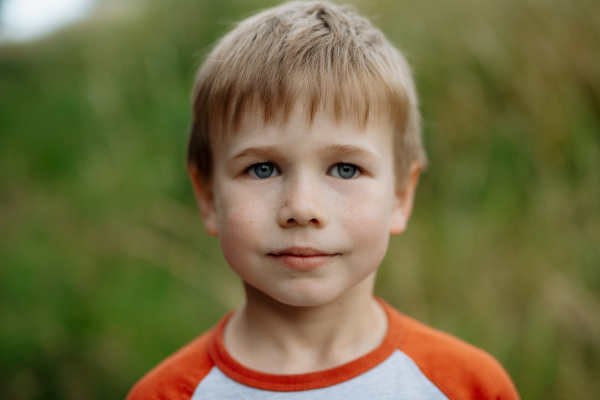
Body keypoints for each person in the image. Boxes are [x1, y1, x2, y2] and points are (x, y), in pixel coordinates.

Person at [126, 1, 520, 399]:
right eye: (263, 168)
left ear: (401, 196)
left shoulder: (469, 386)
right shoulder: (165, 394)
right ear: (209, 197)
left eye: (345, 169)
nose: (301, 208)